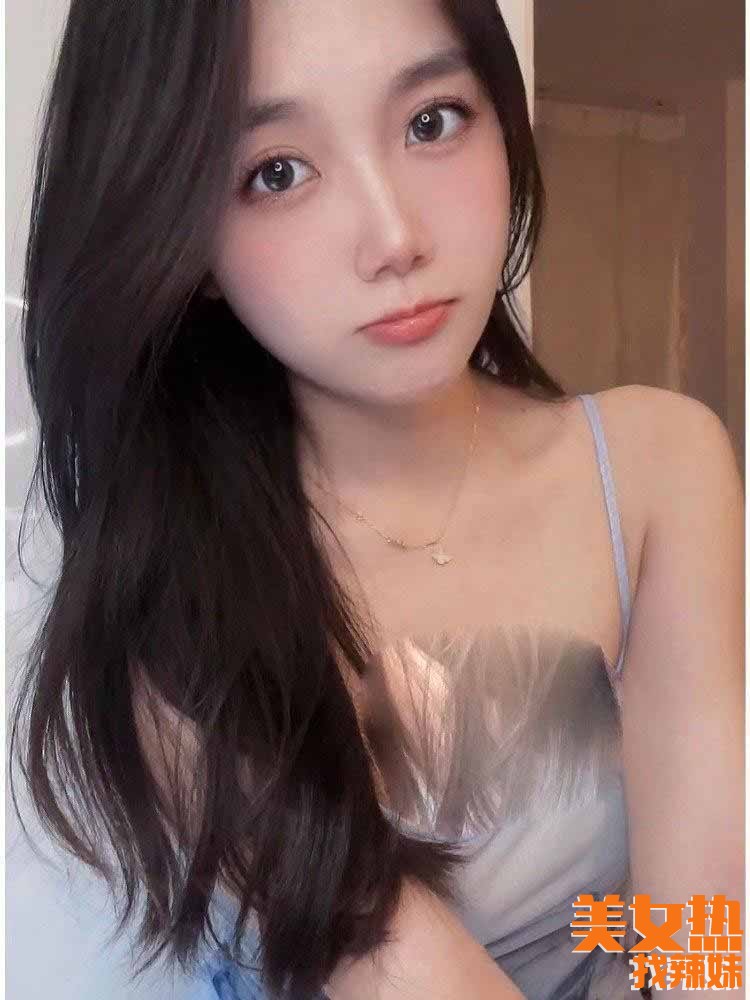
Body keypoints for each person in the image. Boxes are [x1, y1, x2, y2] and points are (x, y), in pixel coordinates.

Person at [9, 0, 744, 998]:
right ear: (185, 232)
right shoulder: (181, 612)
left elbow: (704, 943)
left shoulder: (659, 468)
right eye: (277, 172)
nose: (395, 238)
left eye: (432, 121)